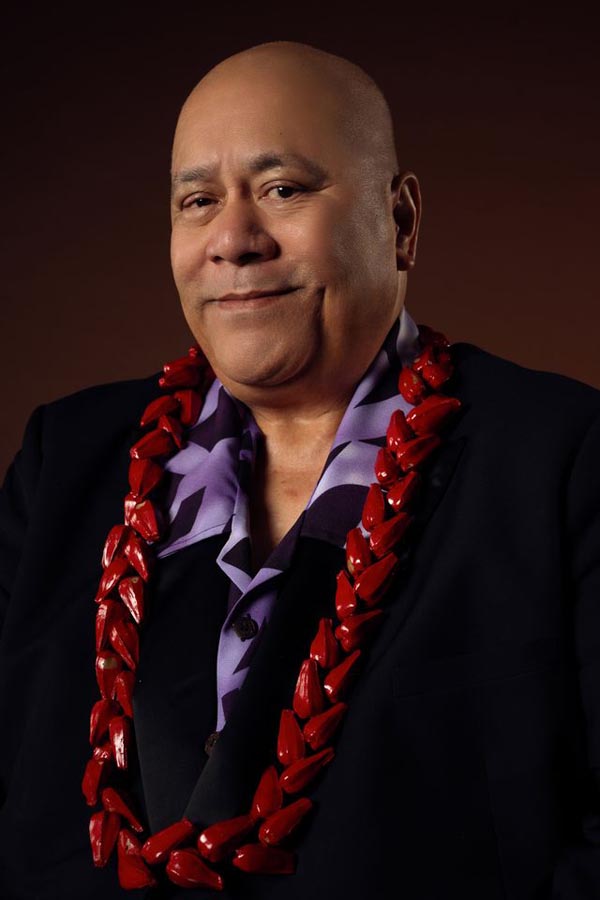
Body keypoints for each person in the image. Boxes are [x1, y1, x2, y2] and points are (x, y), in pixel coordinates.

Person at [1, 39, 600, 900]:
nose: (234, 239)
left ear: (401, 222)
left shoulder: (562, 460)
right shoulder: (65, 461)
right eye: (199, 200)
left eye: (284, 190)